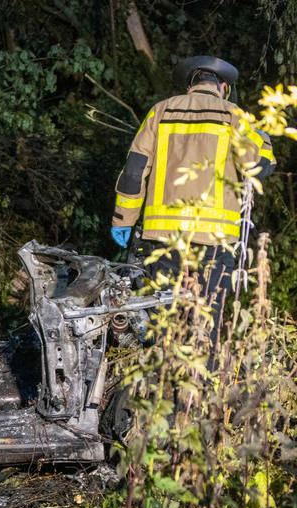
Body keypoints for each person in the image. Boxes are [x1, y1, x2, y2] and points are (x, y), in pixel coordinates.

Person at [110, 56, 276, 346]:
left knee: (163, 326)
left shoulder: (160, 111)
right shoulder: (235, 115)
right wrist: (263, 141)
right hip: (215, 242)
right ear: (223, 86)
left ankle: (158, 384)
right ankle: (200, 387)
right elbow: (259, 167)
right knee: (205, 327)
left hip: (163, 239)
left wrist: (123, 220)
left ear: (191, 84)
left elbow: (134, 171)